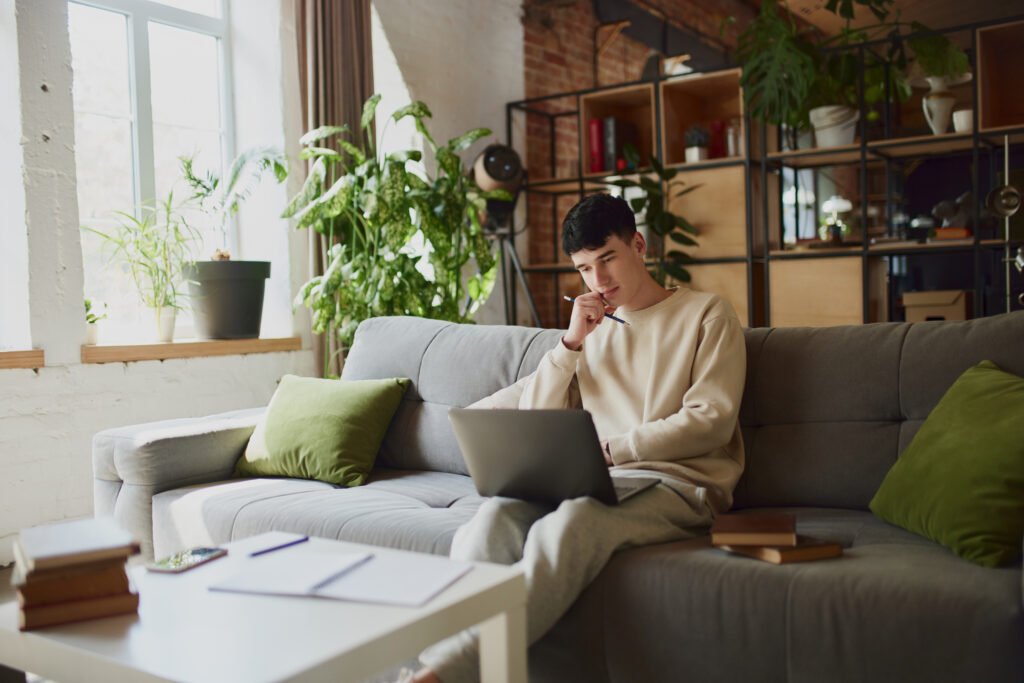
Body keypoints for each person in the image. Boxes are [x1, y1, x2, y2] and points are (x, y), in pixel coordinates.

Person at [406, 193, 746, 683]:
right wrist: (568, 345)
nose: (600, 280)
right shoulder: (590, 331)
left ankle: (440, 673)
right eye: (585, 269)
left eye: (607, 259)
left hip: (679, 482)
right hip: (595, 478)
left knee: (572, 525)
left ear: (639, 245)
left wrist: (614, 450)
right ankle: (472, 670)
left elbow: (710, 419)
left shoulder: (708, 314)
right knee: (493, 520)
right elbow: (537, 416)